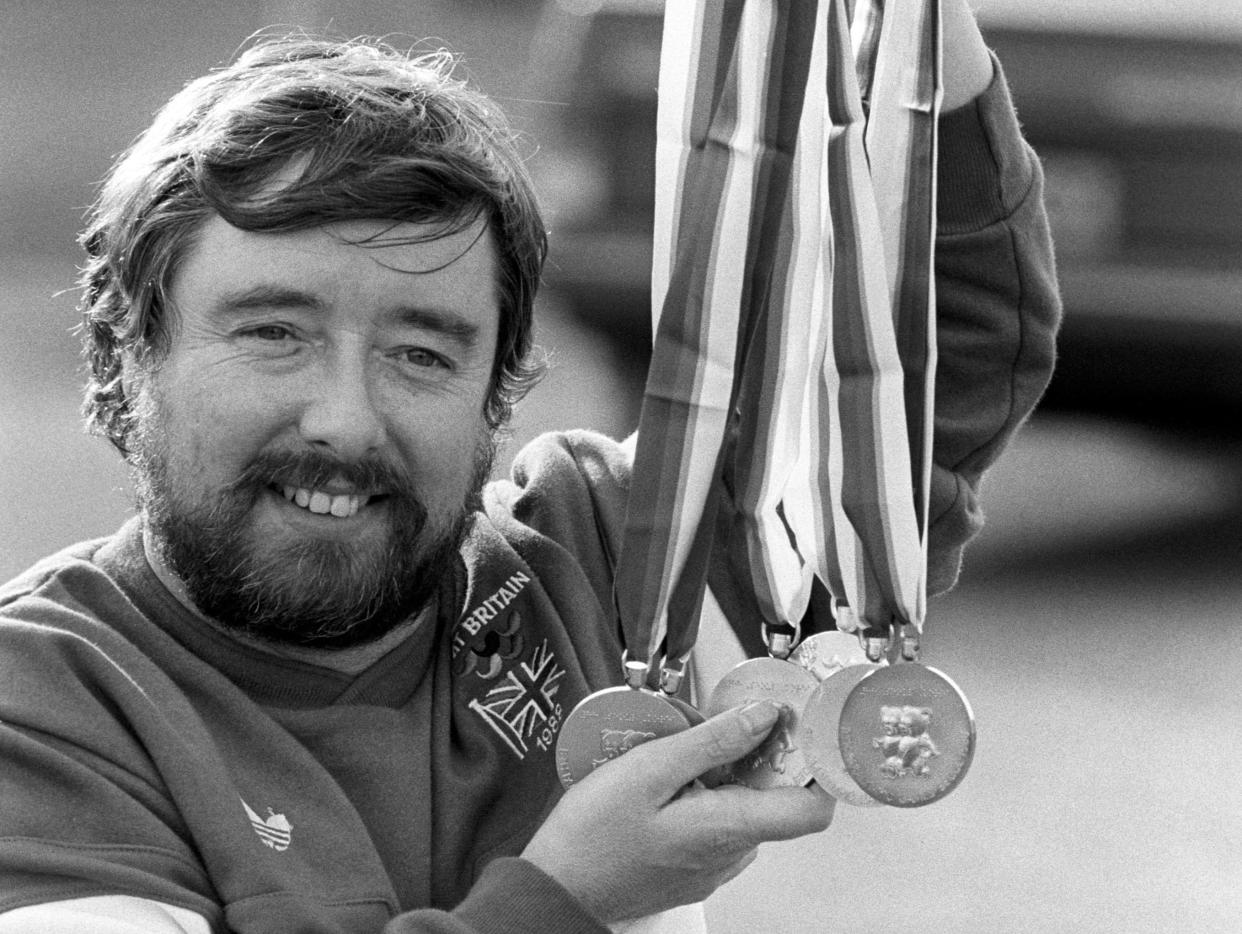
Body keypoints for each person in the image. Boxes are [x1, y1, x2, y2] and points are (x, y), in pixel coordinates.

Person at [0, 2, 1060, 932]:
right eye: (274, 331)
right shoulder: (41, 704)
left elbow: (938, 341)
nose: (345, 419)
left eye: (423, 353)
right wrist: (567, 904)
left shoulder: (602, 565)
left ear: (495, 392)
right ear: (125, 354)